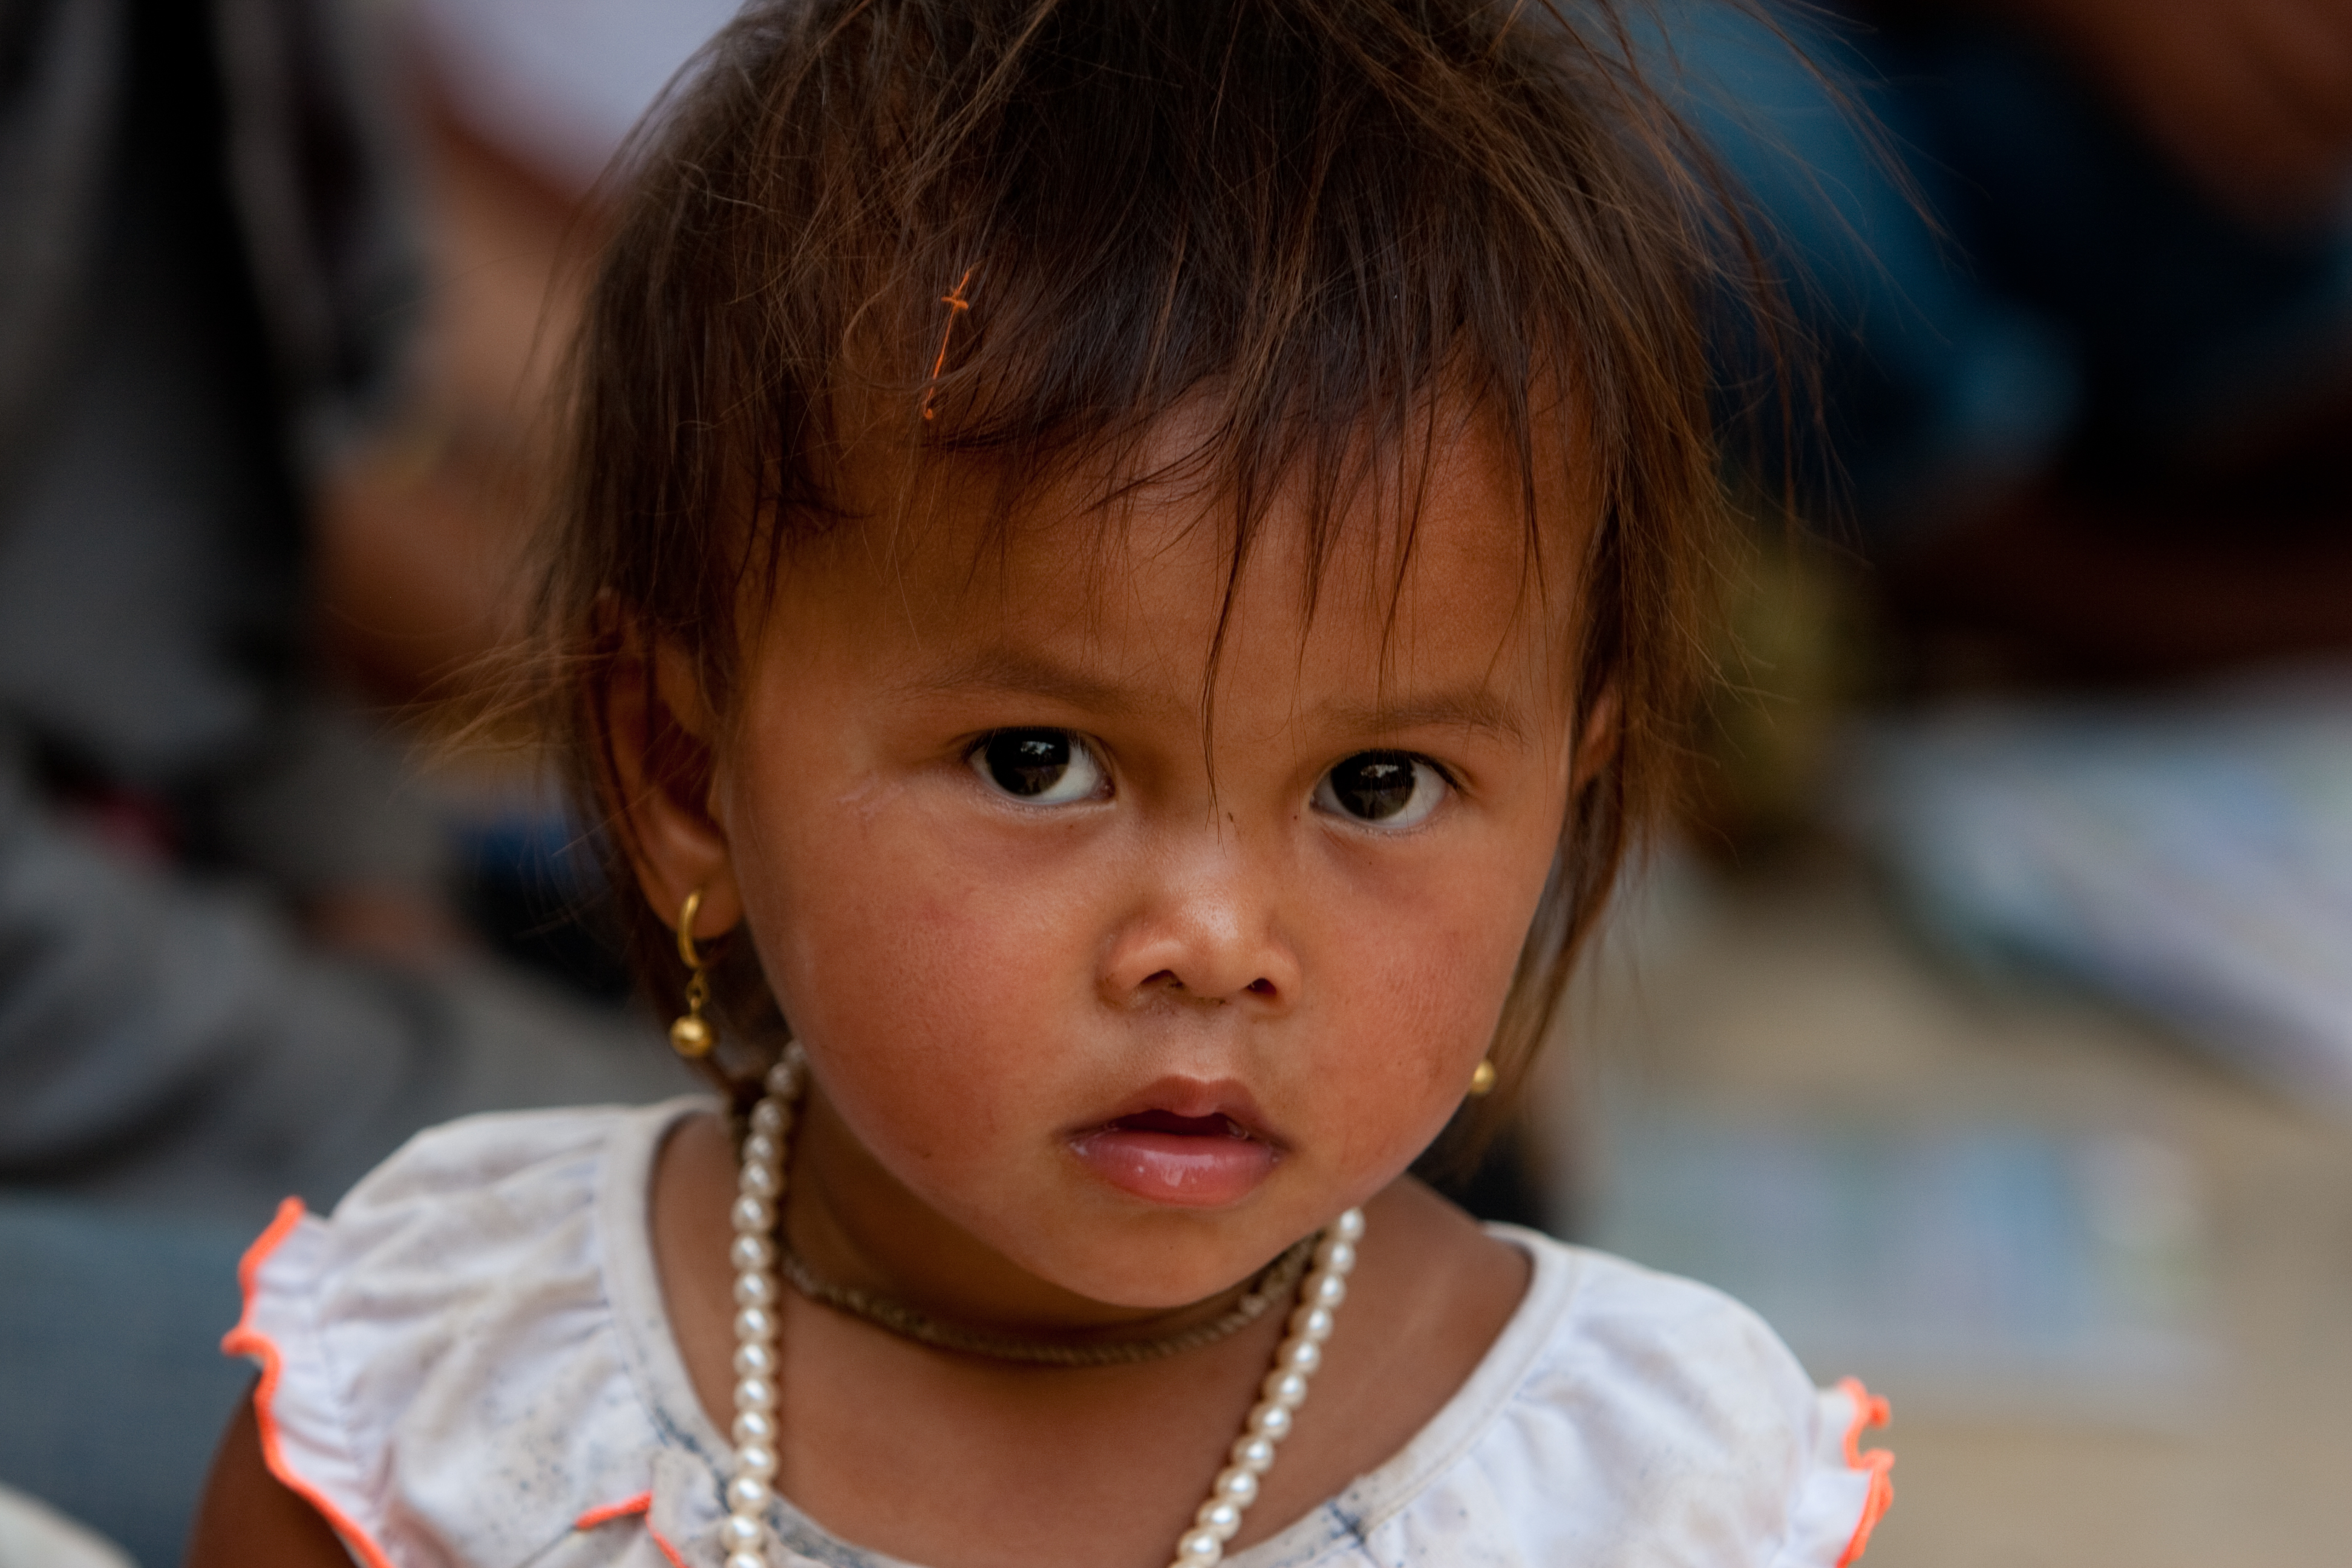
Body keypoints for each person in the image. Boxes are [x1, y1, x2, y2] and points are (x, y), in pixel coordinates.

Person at [186, 4, 1895, 1565]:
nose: (1214, 942)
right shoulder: (454, 1396)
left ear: (1567, 808)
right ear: (685, 769)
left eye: (1379, 785)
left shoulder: (1629, 1501)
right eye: (1039, 764)